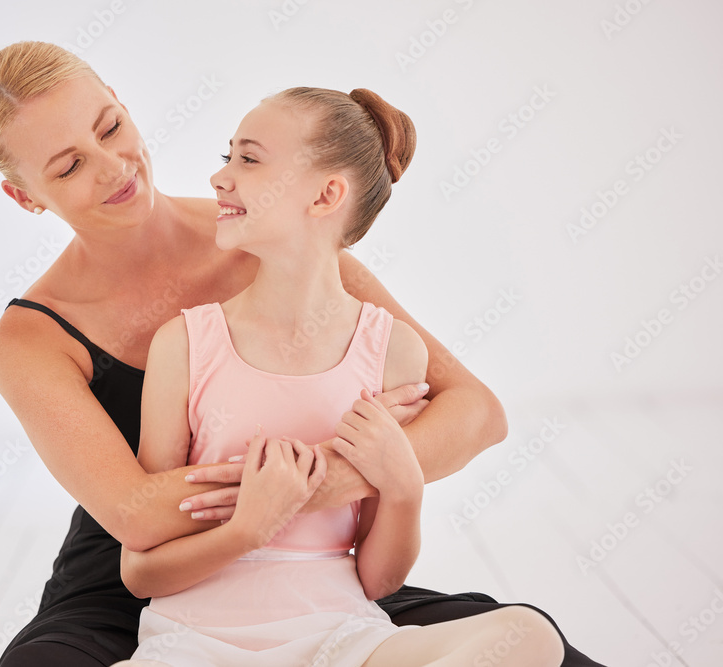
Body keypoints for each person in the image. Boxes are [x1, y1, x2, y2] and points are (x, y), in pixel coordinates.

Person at [0, 41, 603, 666]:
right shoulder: (30, 340)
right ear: (25, 196)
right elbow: (138, 514)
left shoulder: (268, 230)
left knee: (535, 643)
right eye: (68, 166)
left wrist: (329, 480)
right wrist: (280, 494)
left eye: (110, 128)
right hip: (129, 587)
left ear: (121, 103)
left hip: (306, 573)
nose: (112, 166)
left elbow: (475, 412)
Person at [108, 86, 564, 666]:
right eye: (227, 158)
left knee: (529, 635)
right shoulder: (187, 343)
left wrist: (403, 486)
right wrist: (249, 528)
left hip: (340, 642)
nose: (221, 179)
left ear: (326, 194)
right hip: (196, 646)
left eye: (248, 159)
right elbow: (141, 572)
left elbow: (377, 581)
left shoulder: (391, 351)